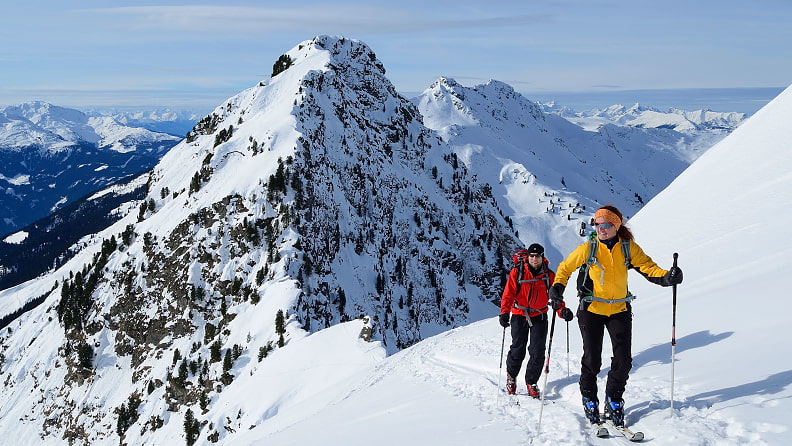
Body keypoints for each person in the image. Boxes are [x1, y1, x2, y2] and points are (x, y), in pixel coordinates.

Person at [549, 205, 683, 426]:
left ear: (617, 226)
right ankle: (589, 398)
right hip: (591, 310)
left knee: (623, 360)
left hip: (619, 309)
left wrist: (669, 277)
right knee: (592, 359)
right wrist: (558, 286)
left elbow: (649, 268)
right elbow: (565, 267)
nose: (601, 229)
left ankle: (614, 398)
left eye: (607, 224)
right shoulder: (589, 249)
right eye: (598, 224)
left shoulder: (628, 248)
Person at [499, 243, 574, 398]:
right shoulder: (517, 272)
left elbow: (556, 298)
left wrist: (562, 311)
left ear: (542, 257)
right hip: (519, 314)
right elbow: (508, 294)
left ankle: (531, 381)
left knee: (538, 351)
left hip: (540, 315)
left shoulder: (548, 275)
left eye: (537, 256)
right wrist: (504, 313)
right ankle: (511, 377)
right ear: (527, 257)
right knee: (517, 349)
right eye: (531, 256)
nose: (534, 259)